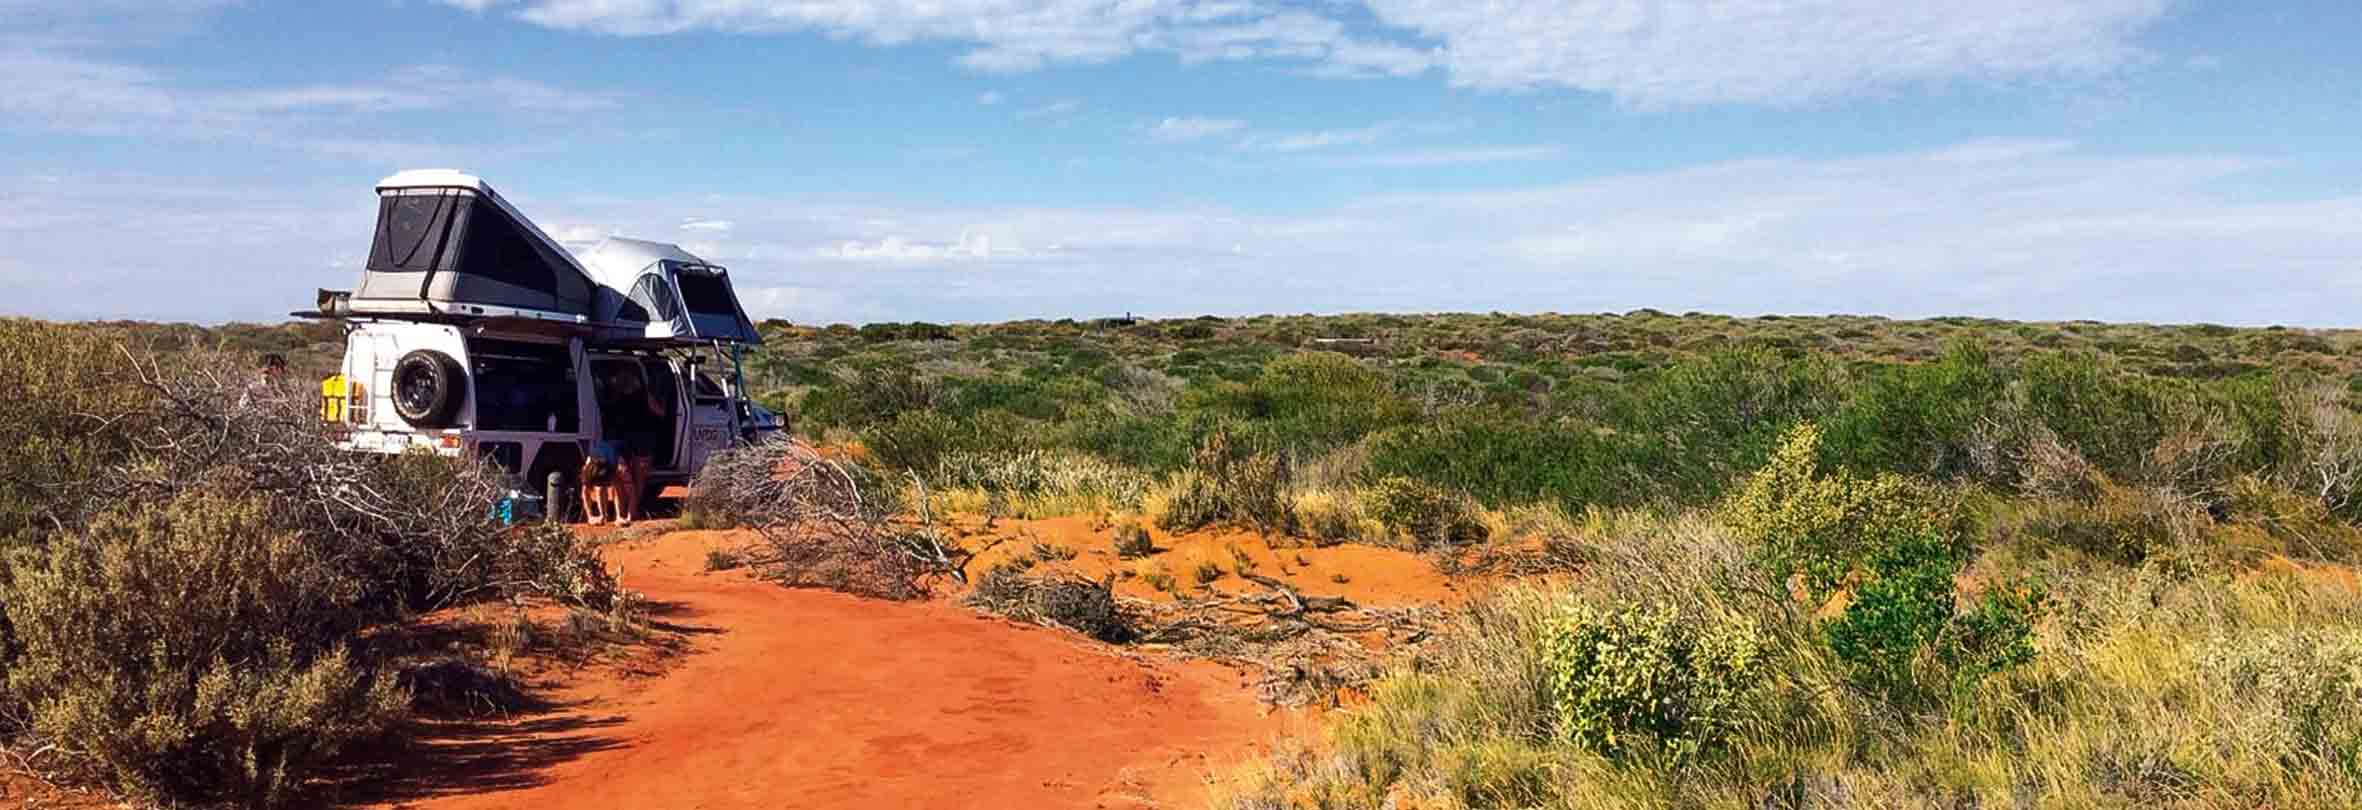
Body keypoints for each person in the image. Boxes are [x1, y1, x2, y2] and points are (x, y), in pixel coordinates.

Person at [600, 364, 668, 525]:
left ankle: (625, 513)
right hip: (639, 438)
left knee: (625, 479)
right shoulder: (640, 394)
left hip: (629, 438)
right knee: (633, 479)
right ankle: (628, 513)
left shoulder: (618, 396)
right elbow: (660, 413)